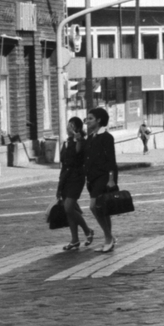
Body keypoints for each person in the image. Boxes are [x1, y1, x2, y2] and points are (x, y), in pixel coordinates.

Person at [56, 117, 94, 252]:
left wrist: (77, 140)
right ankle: (74, 240)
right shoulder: (66, 142)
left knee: (68, 207)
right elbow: (63, 161)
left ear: (77, 128)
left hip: (76, 178)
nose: (67, 127)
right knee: (69, 211)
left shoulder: (80, 141)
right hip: (65, 178)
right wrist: (60, 185)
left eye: (71, 125)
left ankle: (88, 230)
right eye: (68, 124)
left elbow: (77, 153)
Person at [84, 106, 119, 252]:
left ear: (99, 120)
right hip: (92, 178)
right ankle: (109, 239)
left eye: (90, 118)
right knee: (103, 209)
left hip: (103, 177)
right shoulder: (91, 137)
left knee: (94, 206)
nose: (87, 121)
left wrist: (111, 180)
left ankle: (108, 237)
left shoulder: (106, 137)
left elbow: (111, 160)